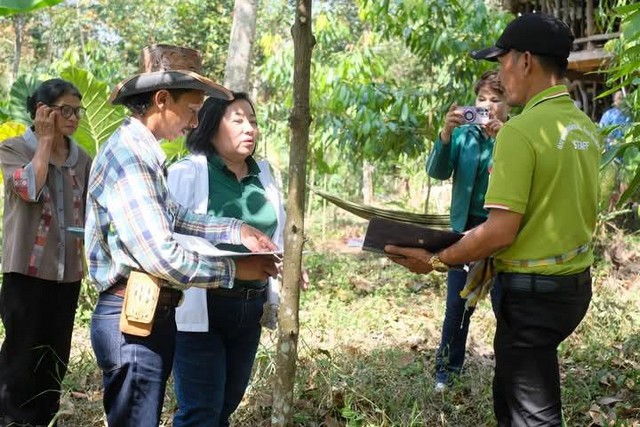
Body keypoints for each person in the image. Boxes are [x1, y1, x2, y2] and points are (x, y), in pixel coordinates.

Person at [386, 13, 600, 426]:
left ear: (524, 61)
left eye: (503, 61)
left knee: (533, 415)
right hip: (573, 287)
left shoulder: (520, 133)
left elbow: (500, 231)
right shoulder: (585, 128)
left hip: (531, 296)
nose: (501, 72)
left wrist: (435, 259)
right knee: (513, 399)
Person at [84, 44, 279, 427]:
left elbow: (177, 217)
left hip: (150, 311)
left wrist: (238, 229)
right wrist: (236, 271)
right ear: (161, 100)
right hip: (133, 314)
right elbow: (162, 256)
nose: (194, 122)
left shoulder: (145, 155)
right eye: (191, 109)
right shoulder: (131, 160)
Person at [168, 93, 285, 427]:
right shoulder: (187, 173)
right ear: (210, 125)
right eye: (238, 120)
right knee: (200, 411)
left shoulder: (264, 174)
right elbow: (170, 241)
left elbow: (277, 231)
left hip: (250, 306)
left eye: (253, 120)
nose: (250, 128)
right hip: (203, 306)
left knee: (225, 405)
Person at [0, 79, 92, 427]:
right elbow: (27, 189)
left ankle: (43, 418)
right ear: (42, 111)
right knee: (22, 350)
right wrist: (44, 143)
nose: (73, 118)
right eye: (64, 110)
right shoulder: (13, 149)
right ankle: (11, 418)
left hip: (67, 272)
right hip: (26, 270)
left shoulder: (81, 158)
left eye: (76, 111)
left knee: (56, 354)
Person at [425, 70, 509, 392]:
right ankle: (446, 372)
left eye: (495, 99)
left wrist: (504, 137)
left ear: (508, 104)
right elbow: (437, 171)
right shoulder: (463, 135)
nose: (487, 106)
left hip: (501, 232)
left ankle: (512, 372)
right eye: (481, 99)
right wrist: (445, 134)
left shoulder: (515, 135)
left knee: (506, 306)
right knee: (457, 307)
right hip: (463, 233)